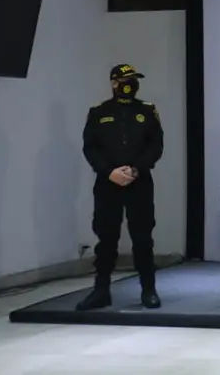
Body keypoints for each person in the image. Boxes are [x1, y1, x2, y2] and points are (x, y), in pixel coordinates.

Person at [77, 64, 164, 311]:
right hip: (108, 183)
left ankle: (149, 289)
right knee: (106, 238)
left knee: (143, 237)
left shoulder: (147, 111)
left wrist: (136, 169)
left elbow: (155, 145)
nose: (132, 84)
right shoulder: (99, 112)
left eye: (135, 80)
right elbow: (90, 147)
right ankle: (101, 290)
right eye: (126, 80)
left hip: (140, 183)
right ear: (114, 83)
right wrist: (109, 172)